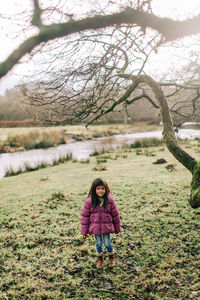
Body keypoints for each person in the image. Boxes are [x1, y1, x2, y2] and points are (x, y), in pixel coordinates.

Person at [81, 178, 121, 268]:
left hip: (107, 227)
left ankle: (111, 257)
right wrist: (84, 232)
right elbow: (85, 217)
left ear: (106, 189)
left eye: (102, 188)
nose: (100, 191)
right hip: (95, 228)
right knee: (98, 243)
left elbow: (115, 215)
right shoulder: (89, 201)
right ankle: (100, 259)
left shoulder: (109, 200)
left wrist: (117, 228)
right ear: (94, 189)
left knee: (107, 243)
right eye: (98, 188)